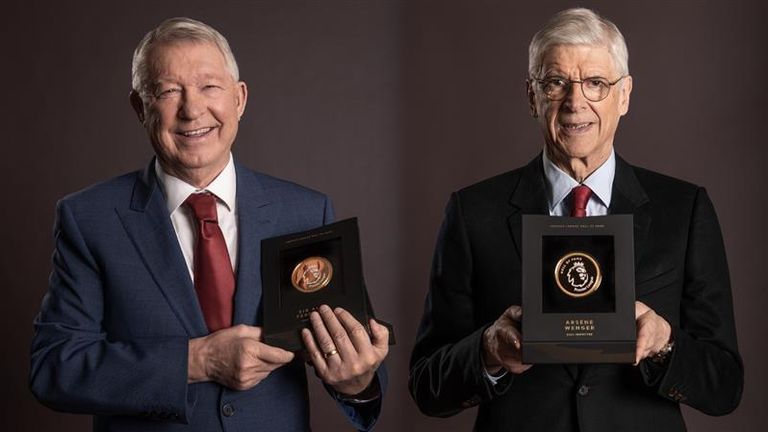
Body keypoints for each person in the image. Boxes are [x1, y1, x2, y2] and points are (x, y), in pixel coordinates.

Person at [30, 17, 388, 431]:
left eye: (209, 87)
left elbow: (357, 369)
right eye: (167, 91)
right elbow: (54, 367)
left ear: (239, 99)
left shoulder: (305, 212)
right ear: (140, 108)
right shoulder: (90, 219)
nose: (192, 109)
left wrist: (357, 381)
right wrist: (195, 361)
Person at [409, 8, 742, 431]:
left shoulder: (684, 209)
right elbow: (427, 386)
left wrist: (667, 345)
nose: (574, 101)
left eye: (596, 83)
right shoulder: (473, 212)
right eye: (555, 82)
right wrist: (488, 352)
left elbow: (725, 385)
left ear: (624, 96)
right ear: (532, 96)